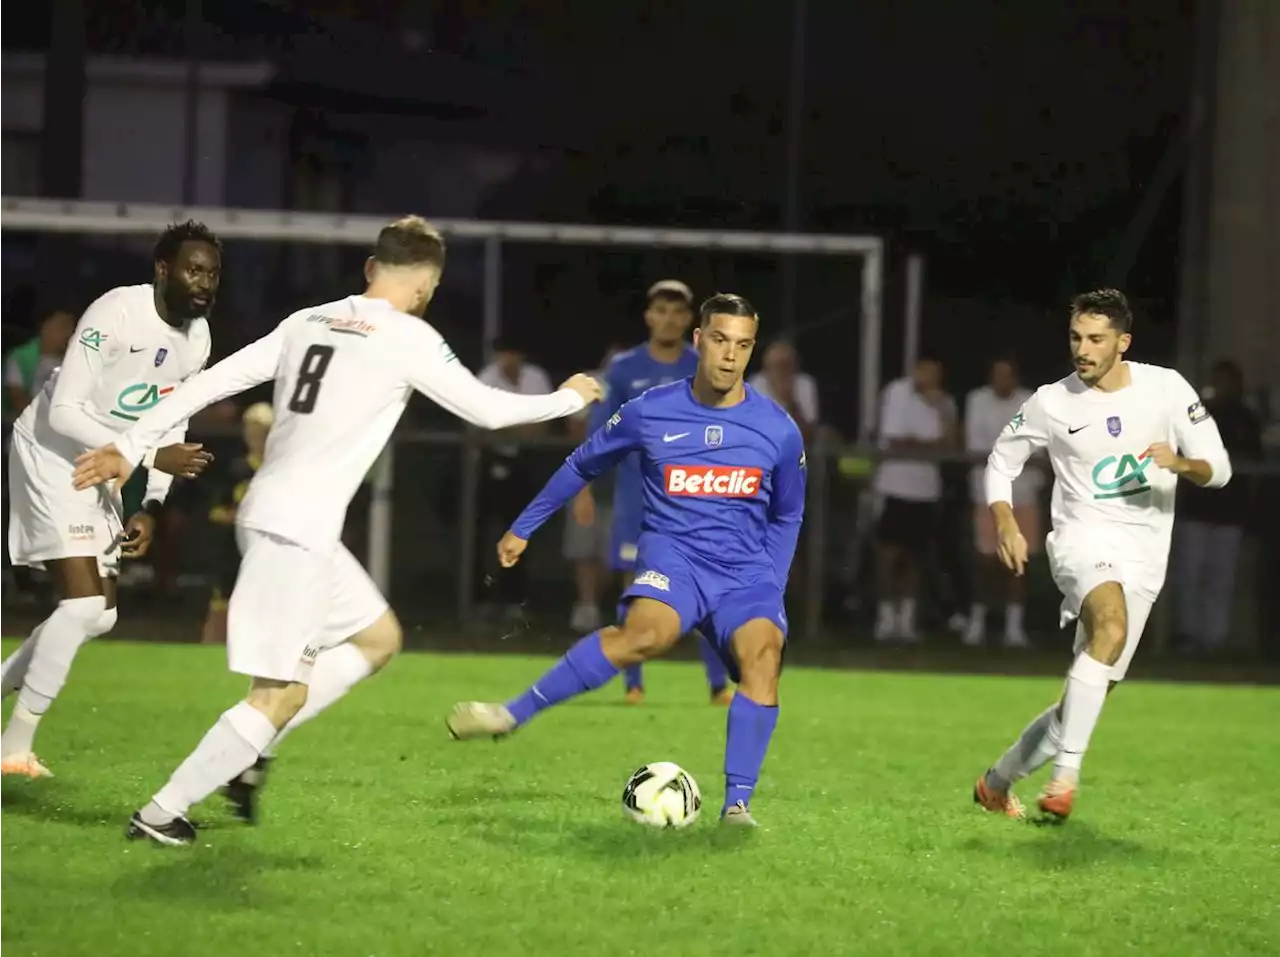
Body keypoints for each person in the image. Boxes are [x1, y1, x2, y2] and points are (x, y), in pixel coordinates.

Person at [71, 215, 603, 845]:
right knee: (277, 695)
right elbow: (488, 410)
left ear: (371, 268)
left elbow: (211, 382)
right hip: (294, 534)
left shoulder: (309, 320)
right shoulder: (409, 336)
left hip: (282, 519)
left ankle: (252, 752)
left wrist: (130, 444)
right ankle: (161, 814)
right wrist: (569, 398)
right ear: (425, 286)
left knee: (378, 638)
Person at [446, 293, 806, 827]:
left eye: (744, 345)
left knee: (764, 656)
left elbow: (789, 515)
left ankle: (737, 806)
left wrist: (771, 586)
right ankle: (509, 714)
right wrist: (525, 525)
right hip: (674, 560)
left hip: (743, 574)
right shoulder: (650, 410)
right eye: (721, 341)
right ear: (700, 341)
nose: (731, 355)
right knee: (645, 636)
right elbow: (581, 463)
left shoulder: (777, 427)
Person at [973, 288, 1232, 822]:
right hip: (1081, 539)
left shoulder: (1165, 388)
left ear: (1123, 341)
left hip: (1146, 553)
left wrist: (1182, 464)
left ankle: (996, 783)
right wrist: (1005, 522)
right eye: (1075, 337)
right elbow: (1001, 461)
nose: (1083, 349)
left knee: (1085, 700)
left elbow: (1219, 468)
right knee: (1109, 630)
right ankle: (1065, 779)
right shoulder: (1052, 400)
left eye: (1096, 338)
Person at [0, 222, 221, 777]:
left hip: (107, 462)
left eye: (213, 273)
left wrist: (151, 504)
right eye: (194, 269)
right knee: (80, 605)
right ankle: (12, 747)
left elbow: (173, 417)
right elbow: (63, 412)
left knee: (99, 617)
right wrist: (147, 459)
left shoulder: (198, 338)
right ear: (163, 270)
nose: (205, 282)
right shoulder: (116, 313)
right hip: (52, 455)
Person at [574, 279, 732, 704]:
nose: (668, 318)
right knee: (637, 586)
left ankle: (719, 686)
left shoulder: (705, 365)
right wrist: (583, 488)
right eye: (660, 310)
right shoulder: (624, 369)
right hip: (637, 500)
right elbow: (601, 431)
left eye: (677, 311)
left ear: (689, 320)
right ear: (649, 316)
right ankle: (634, 685)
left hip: (696, 498)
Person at [1171, 359, 1261, 654]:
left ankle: (1214, 638)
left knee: (1220, 578)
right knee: (1191, 575)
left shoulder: (1246, 418)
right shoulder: (1197, 413)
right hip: (1196, 508)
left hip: (1229, 512)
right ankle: (1188, 635)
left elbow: (1251, 460)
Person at [872, 356, 957, 642]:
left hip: (925, 490)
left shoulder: (944, 402)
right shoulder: (897, 393)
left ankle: (906, 622)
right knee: (888, 556)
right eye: (926, 371)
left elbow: (950, 442)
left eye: (935, 373)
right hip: (894, 487)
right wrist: (927, 446)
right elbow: (895, 439)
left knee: (915, 559)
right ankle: (885, 619)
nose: (930, 378)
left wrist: (939, 410)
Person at [963, 357, 1043, 648]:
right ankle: (977, 623)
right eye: (997, 375)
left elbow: (1036, 446)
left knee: (1017, 562)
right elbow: (976, 445)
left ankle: (1013, 629)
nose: (1002, 380)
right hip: (986, 493)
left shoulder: (1031, 402)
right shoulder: (977, 400)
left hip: (1023, 493)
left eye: (1007, 375)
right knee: (984, 561)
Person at [200, 401, 275, 645]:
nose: (256, 438)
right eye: (251, 432)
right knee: (222, 603)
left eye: (262, 432)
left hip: (268, 549)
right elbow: (215, 511)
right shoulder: (236, 469)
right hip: (233, 548)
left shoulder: (279, 469)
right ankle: (208, 652)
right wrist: (237, 516)